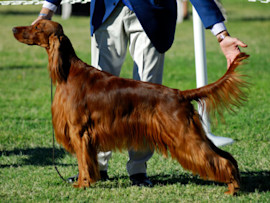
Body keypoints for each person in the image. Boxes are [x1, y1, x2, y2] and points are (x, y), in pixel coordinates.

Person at [32, 0, 247, 187]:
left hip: (151, 12)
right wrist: (46, 12)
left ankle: (138, 170)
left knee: (149, 97)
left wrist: (221, 34)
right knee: (97, 100)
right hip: (107, 12)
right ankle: (94, 169)